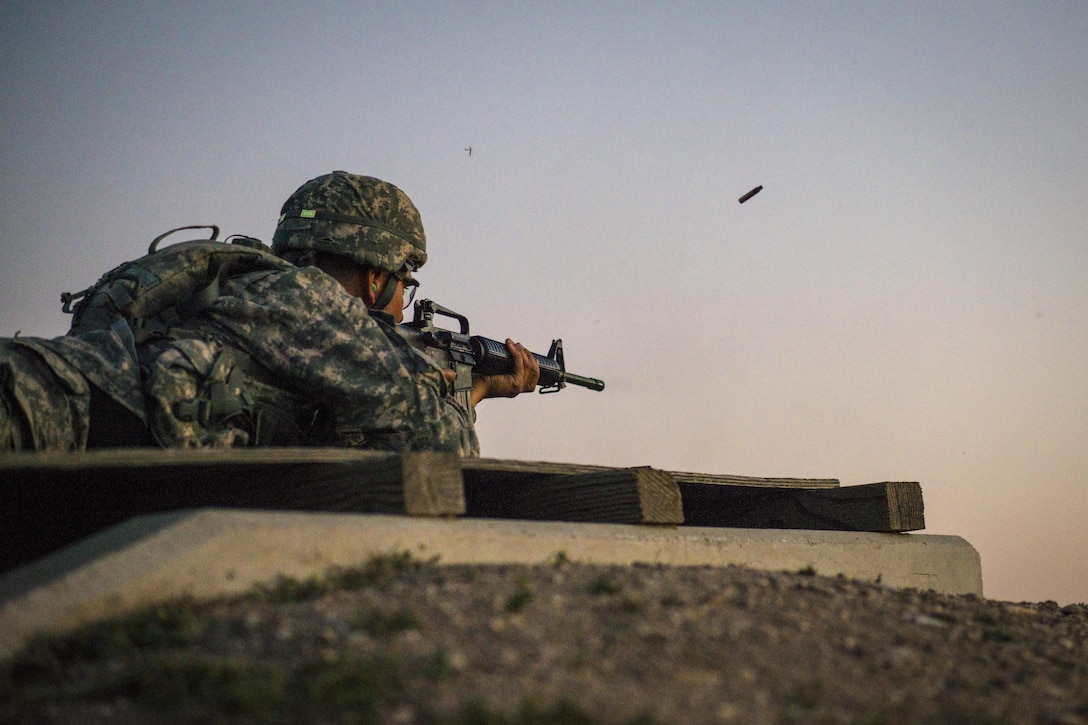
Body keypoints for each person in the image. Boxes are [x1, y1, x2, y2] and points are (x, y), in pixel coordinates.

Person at [0, 171, 539, 455]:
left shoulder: (245, 283)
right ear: (375, 275)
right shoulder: (316, 304)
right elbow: (444, 450)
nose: (402, 307)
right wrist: (473, 395)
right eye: (405, 285)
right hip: (37, 418)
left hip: (40, 392)